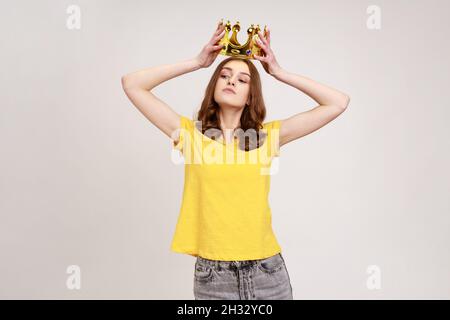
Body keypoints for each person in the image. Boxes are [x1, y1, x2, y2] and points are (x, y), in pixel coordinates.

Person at [121, 20, 350, 300]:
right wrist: (197, 62)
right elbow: (132, 84)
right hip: (214, 277)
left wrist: (278, 72)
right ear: (214, 84)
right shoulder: (191, 136)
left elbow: (337, 102)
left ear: (250, 95)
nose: (231, 81)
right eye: (224, 75)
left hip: (267, 271)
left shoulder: (267, 137)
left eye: (242, 80)